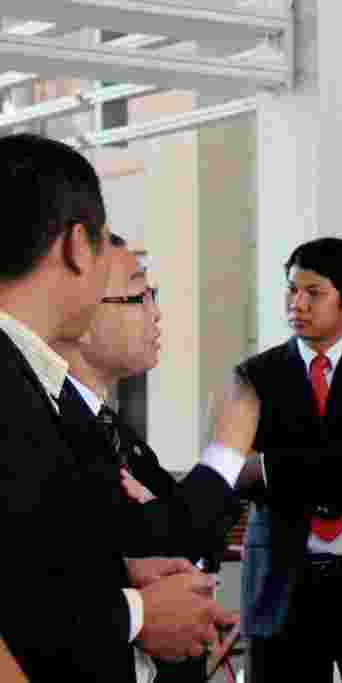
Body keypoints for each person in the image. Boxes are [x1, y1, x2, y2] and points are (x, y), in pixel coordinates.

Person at [0, 132, 234, 681]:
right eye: (108, 250)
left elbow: (27, 552)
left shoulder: (33, 383)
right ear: (77, 247)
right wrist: (134, 613)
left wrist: (119, 571)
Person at [54, 237, 244, 682]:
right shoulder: (53, 427)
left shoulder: (116, 431)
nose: (155, 312)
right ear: (79, 313)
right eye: (139, 296)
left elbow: (194, 535)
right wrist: (230, 444)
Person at [213, 237, 342, 682]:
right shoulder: (254, 375)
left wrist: (274, 466)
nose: (297, 303)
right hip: (280, 581)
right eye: (291, 290)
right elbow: (233, 471)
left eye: (313, 293)